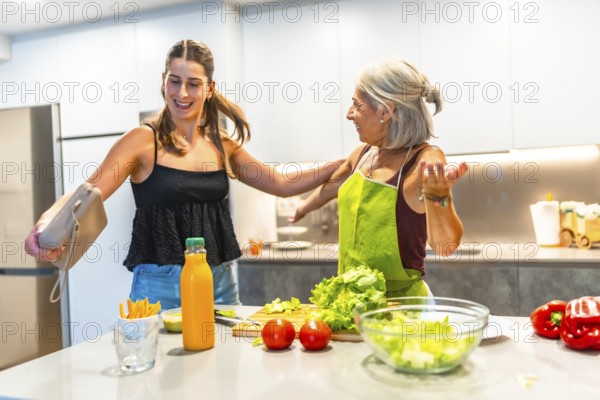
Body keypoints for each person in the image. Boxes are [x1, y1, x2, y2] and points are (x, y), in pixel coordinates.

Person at [25, 39, 341, 309]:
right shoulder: (142, 140)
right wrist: (44, 224)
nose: (182, 93)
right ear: (163, 80)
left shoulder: (221, 144)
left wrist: (344, 164)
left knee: (222, 374)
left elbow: (282, 183)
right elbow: (88, 189)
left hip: (219, 282)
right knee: (159, 379)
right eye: (174, 81)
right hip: (160, 286)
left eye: (193, 84)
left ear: (210, 88)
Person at [290, 59, 468, 298]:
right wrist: (303, 207)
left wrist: (440, 196)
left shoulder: (425, 160)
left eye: (356, 105)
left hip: (402, 311)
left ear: (385, 111)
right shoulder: (363, 154)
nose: (349, 114)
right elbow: (332, 187)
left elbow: (445, 247)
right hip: (353, 303)